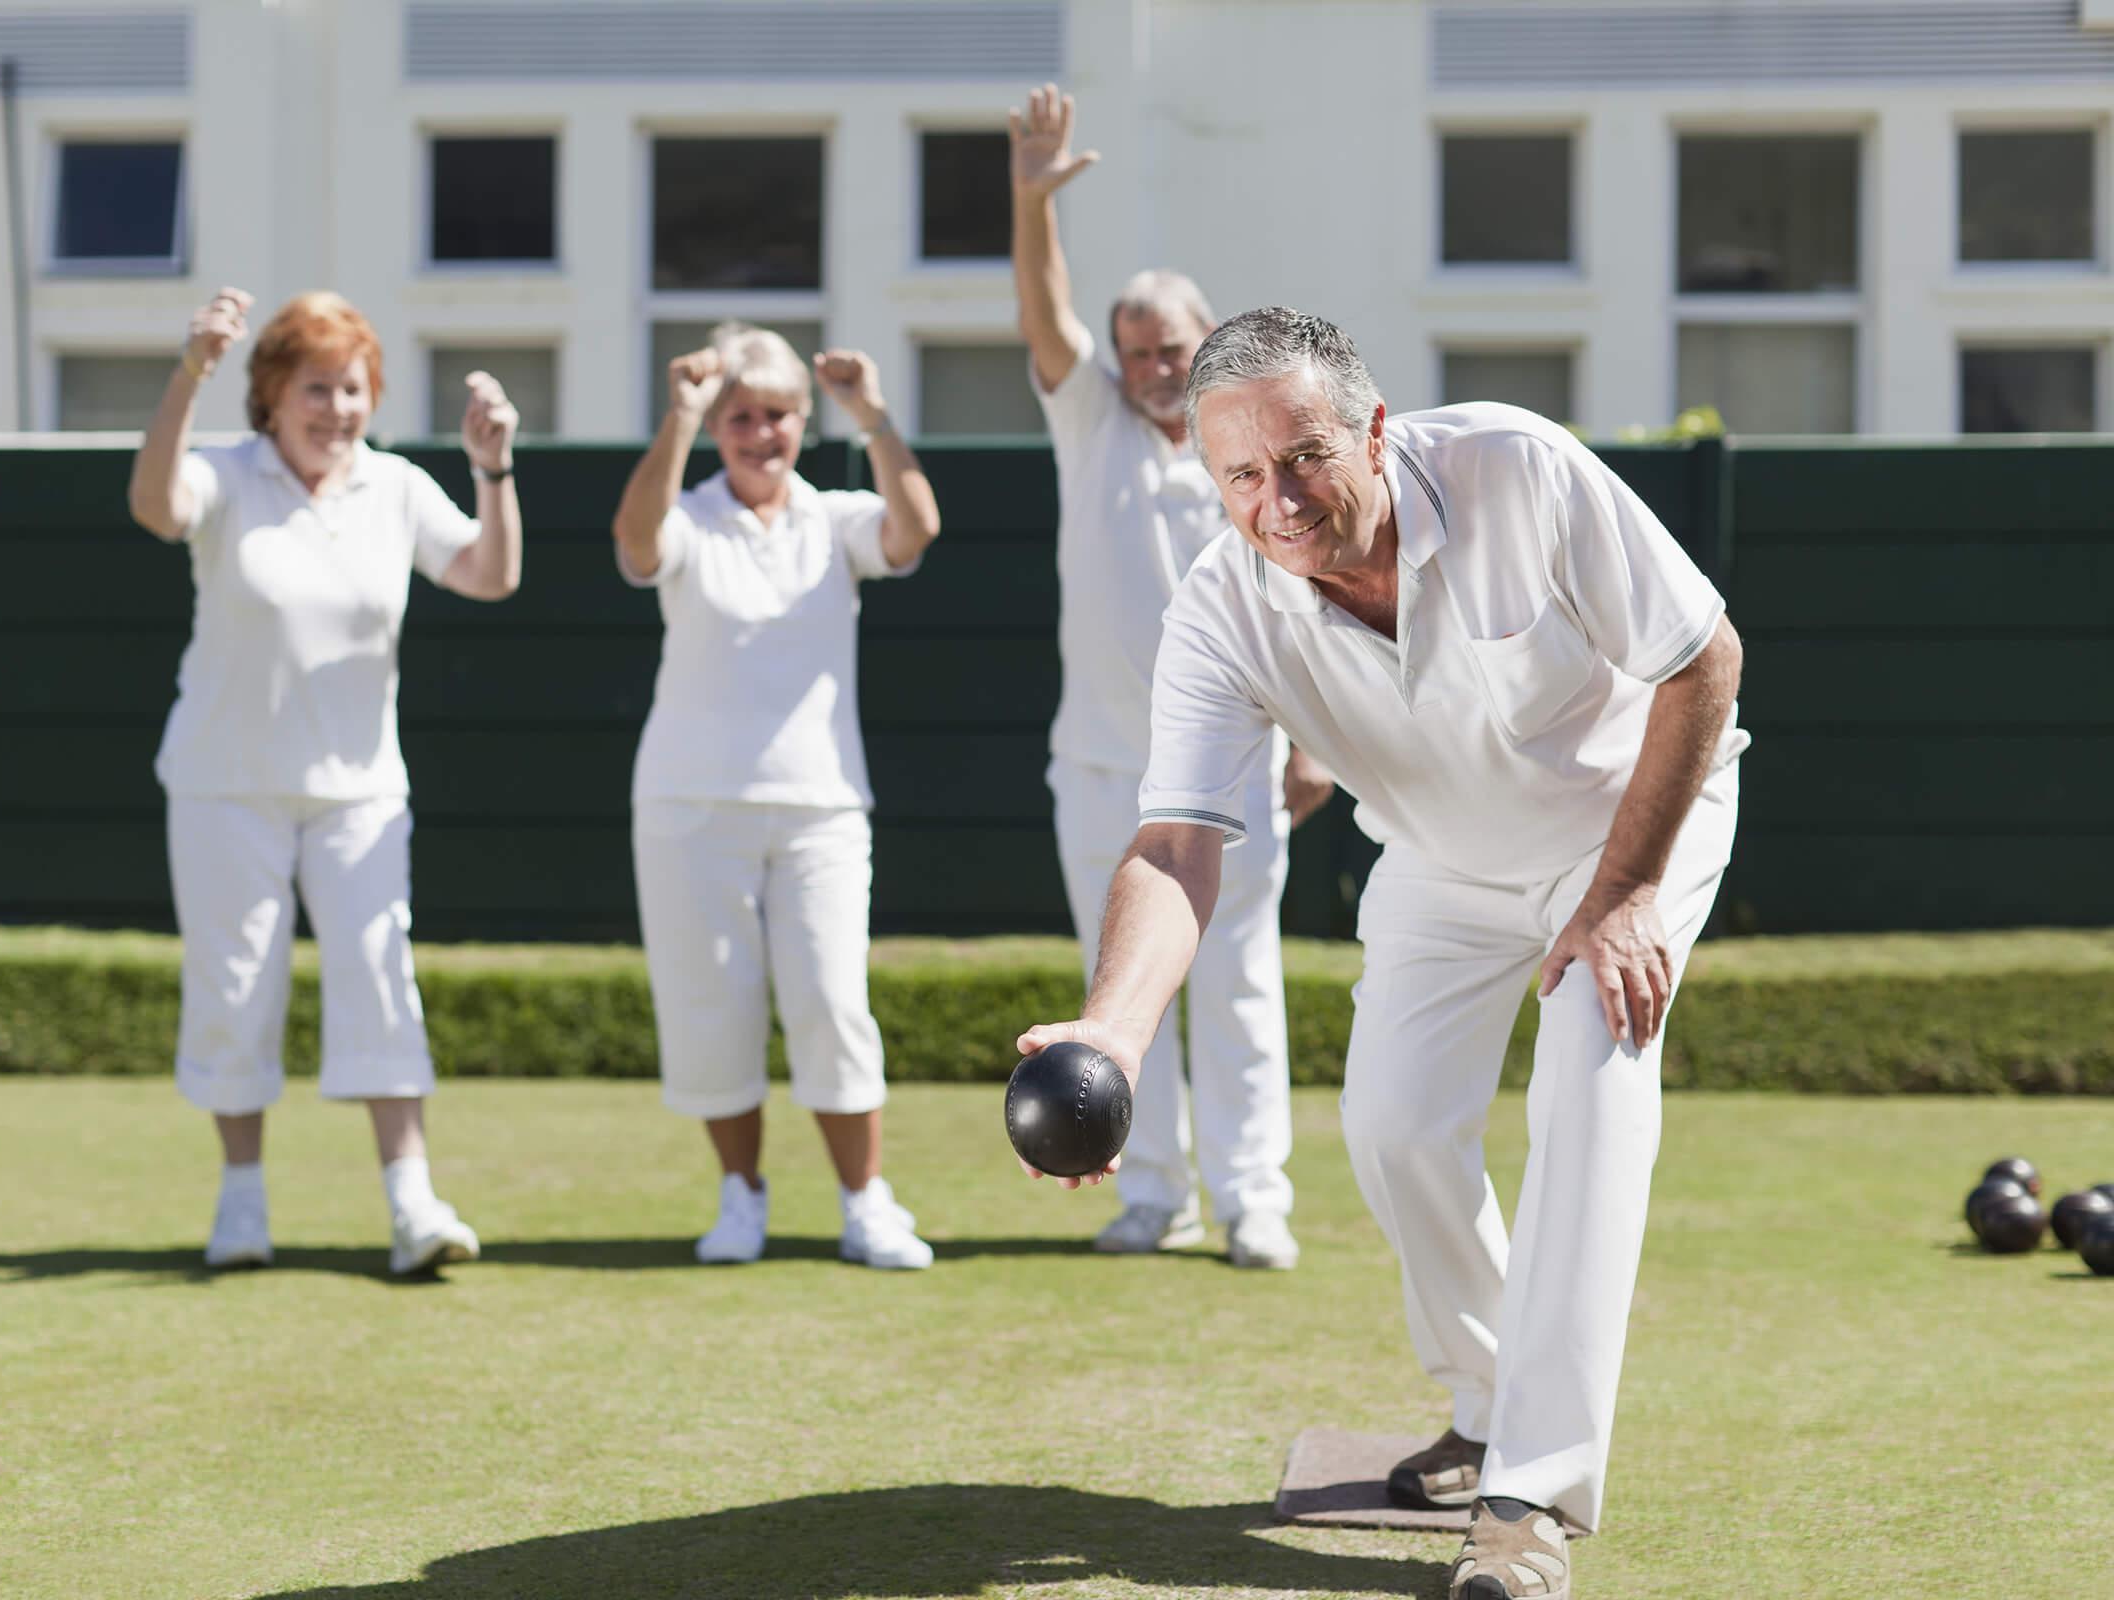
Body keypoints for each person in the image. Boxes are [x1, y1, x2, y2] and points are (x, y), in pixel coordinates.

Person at [1015, 308, 1748, 1600]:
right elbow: (1179, 844)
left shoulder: (1518, 469)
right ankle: (1485, 1401)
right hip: (1441, 858)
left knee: (1593, 1073)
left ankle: (1531, 1500)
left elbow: (1703, 660)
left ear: (1373, 428)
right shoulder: (1220, 610)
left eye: (1301, 458)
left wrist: (1625, 893)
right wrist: (1110, 1038)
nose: (1275, 500)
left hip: (1629, 824)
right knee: (1393, 1126)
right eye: (1239, 475)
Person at [127, 287, 525, 1276]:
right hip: (225, 786)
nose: (336, 409)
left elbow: (488, 574)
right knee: (233, 990)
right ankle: (242, 1206)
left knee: (382, 978)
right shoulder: (224, 475)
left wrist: (493, 471)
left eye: (351, 389)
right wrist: (190, 370)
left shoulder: (392, 488)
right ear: (271, 395)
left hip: (359, 792)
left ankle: (412, 1205)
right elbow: (153, 506)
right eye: (316, 388)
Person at [1008, 84, 1331, 1269]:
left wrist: (1317, 744)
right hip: (1099, 766)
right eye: (1136, 349)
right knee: (1117, 991)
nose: (1152, 366)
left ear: (1208, 352)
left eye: (1173, 350)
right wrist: (1031, 199)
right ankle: (1153, 1194)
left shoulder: (1247, 451)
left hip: (1235, 772)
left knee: (1240, 989)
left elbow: (1309, 600)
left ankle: (1257, 1201)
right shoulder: (1087, 421)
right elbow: (1043, 312)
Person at [611, 323, 942, 1270]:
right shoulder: (690, 516)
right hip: (688, 809)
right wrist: (676, 417)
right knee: (709, 1009)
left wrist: (873, 412)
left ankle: (866, 1202)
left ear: (805, 420)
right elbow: (636, 539)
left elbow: (915, 525)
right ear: (718, 426)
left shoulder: (837, 520)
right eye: (742, 417)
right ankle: (740, 1198)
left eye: (780, 416)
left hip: (821, 808)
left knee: (834, 1002)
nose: (762, 434)